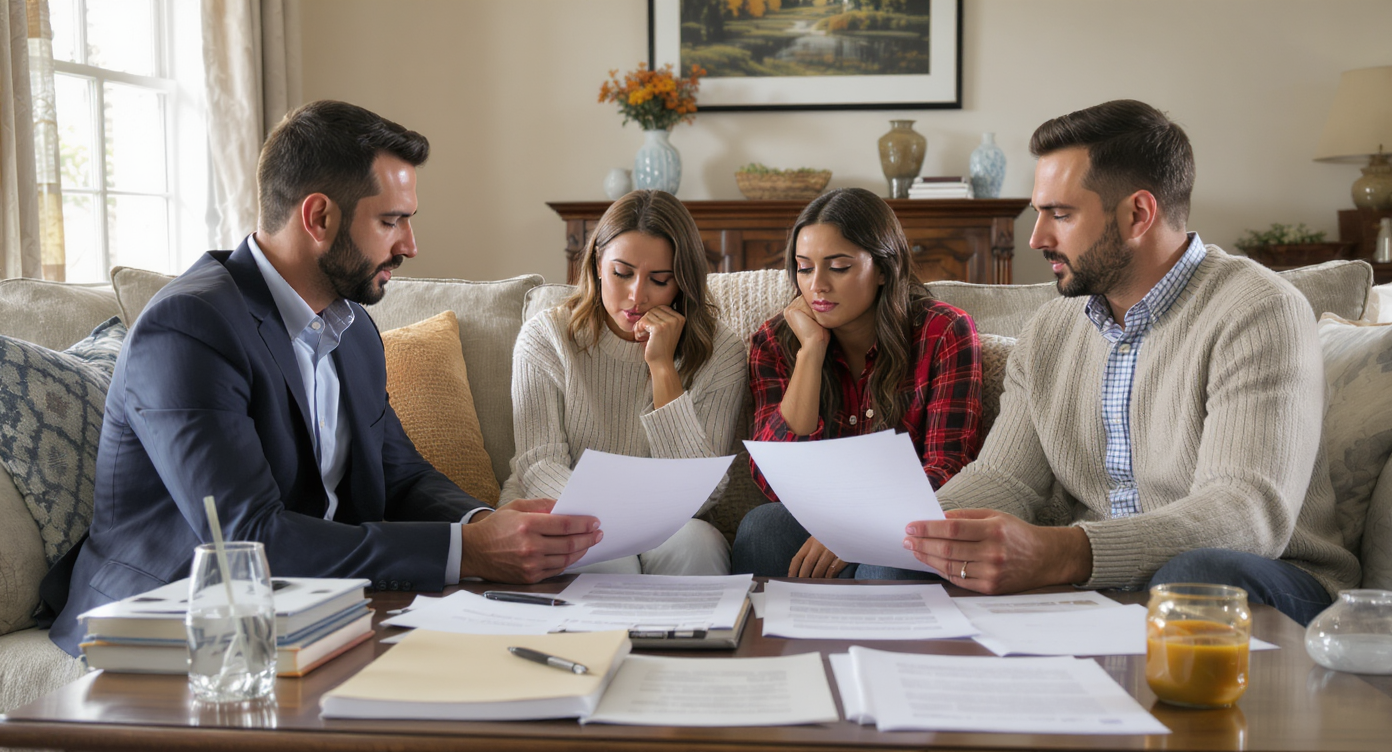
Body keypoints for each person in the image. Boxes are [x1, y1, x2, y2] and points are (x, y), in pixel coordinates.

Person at [43, 100, 603, 656]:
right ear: (318, 218)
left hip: (311, 602)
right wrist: (469, 550)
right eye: (391, 221)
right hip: (175, 619)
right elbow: (248, 541)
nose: (410, 245)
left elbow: (401, 475)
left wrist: (486, 521)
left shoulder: (352, 325)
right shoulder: (189, 328)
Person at [902, 100, 1360, 625]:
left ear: (1138, 214)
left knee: (1195, 578)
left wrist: (1065, 552)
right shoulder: (1050, 329)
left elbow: (1245, 513)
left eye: (1060, 214)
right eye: (1039, 213)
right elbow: (1006, 480)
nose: (1037, 238)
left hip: (1269, 575)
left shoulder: (1259, 311)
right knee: (897, 566)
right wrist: (903, 532)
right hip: (1095, 579)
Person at [731, 187, 984, 579]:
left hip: (903, 517)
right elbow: (772, 480)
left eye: (838, 267)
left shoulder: (944, 331)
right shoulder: (775, 341)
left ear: (883, 268)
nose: (817, 285)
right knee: (760, 529)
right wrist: (811, 352)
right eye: (804, 267)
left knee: (885, 569)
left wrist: (854, 526)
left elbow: (949, 467)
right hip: (816, 518)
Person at [499, 189, 745, 574]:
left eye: (659, 280)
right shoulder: (545, 337)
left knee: (697, 544)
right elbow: (539, 465)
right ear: (598, 263)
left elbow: (702, 493)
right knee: (610, 561)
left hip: (669, 523)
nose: (637, 296)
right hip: (561, 511)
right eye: (622, 273)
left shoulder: (721, 351)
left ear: (681, 282)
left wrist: (663, 366)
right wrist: (613, 527)